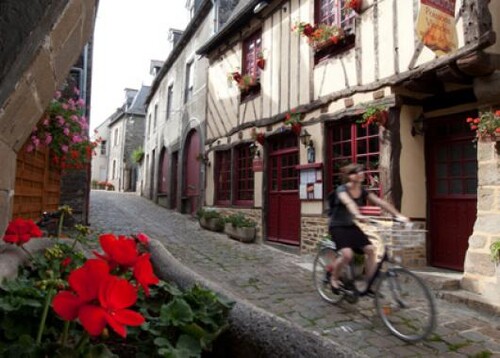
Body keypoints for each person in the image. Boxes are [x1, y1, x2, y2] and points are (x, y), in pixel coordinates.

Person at [327, 163, 408, 291]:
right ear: (350, 176)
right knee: (347, 255)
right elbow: (348, 202)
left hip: (351, 226)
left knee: (370, 250)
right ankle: (334, 278)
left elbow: (380, 202)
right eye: (356, 172)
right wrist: (357, 214)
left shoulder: (363, 191)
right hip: (337, 226)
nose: (361, 173)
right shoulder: (342, 189)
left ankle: (368, 283)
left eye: (361, 171)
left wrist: (398, 215)